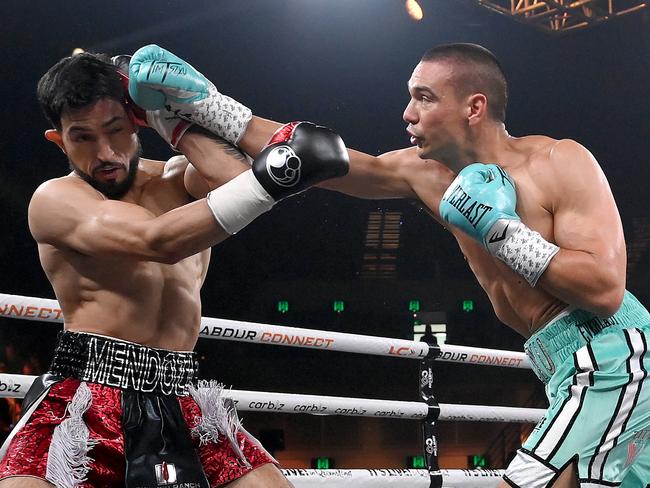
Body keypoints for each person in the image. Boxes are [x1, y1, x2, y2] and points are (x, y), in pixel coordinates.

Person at [144, 43, 650, 487]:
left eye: (424, 97)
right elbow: (317, 157)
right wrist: (205, 105)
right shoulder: (423, 173)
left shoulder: (559, 161)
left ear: (474, 106)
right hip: (564, 363)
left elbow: (605, 290)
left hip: (610, 356)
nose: (408, 112)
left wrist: (501, 230)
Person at [0, 48, 349, 488]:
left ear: (136, 122)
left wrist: (173, 122)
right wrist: (276, 176)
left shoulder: (173, 177)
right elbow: (158, 240)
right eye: (82, 137)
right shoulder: (54, 200)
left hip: (184, 392)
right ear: (59, 140)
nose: (105, 152)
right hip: (86, 394)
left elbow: (235, 181)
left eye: (116, 130)